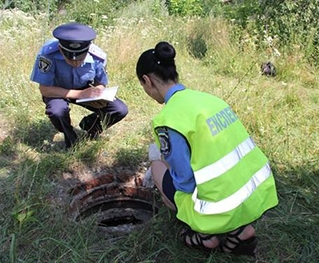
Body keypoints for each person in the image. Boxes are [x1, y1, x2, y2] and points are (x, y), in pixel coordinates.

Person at [136, 41, 278, 256]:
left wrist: (163, 162)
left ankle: (205, 236)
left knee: (157, 166)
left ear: (147, 81)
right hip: (256, 195)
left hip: (218, 209)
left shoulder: (168, 118)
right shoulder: (210, 100)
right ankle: (241, 229)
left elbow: (184, 182)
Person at [30, 22, 128, 148]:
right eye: (69, 59)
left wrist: (97, 93)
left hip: (84, 87)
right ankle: (70, 137)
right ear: (61, 49)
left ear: (87, 49)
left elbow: (100, 82)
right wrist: (80, 94)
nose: (75, 63)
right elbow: (45, 90)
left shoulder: (98, 56)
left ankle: (90, 127)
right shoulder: (47, 55)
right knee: (57, 111)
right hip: (56, 90)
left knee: (119, 110)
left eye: (80, 58)